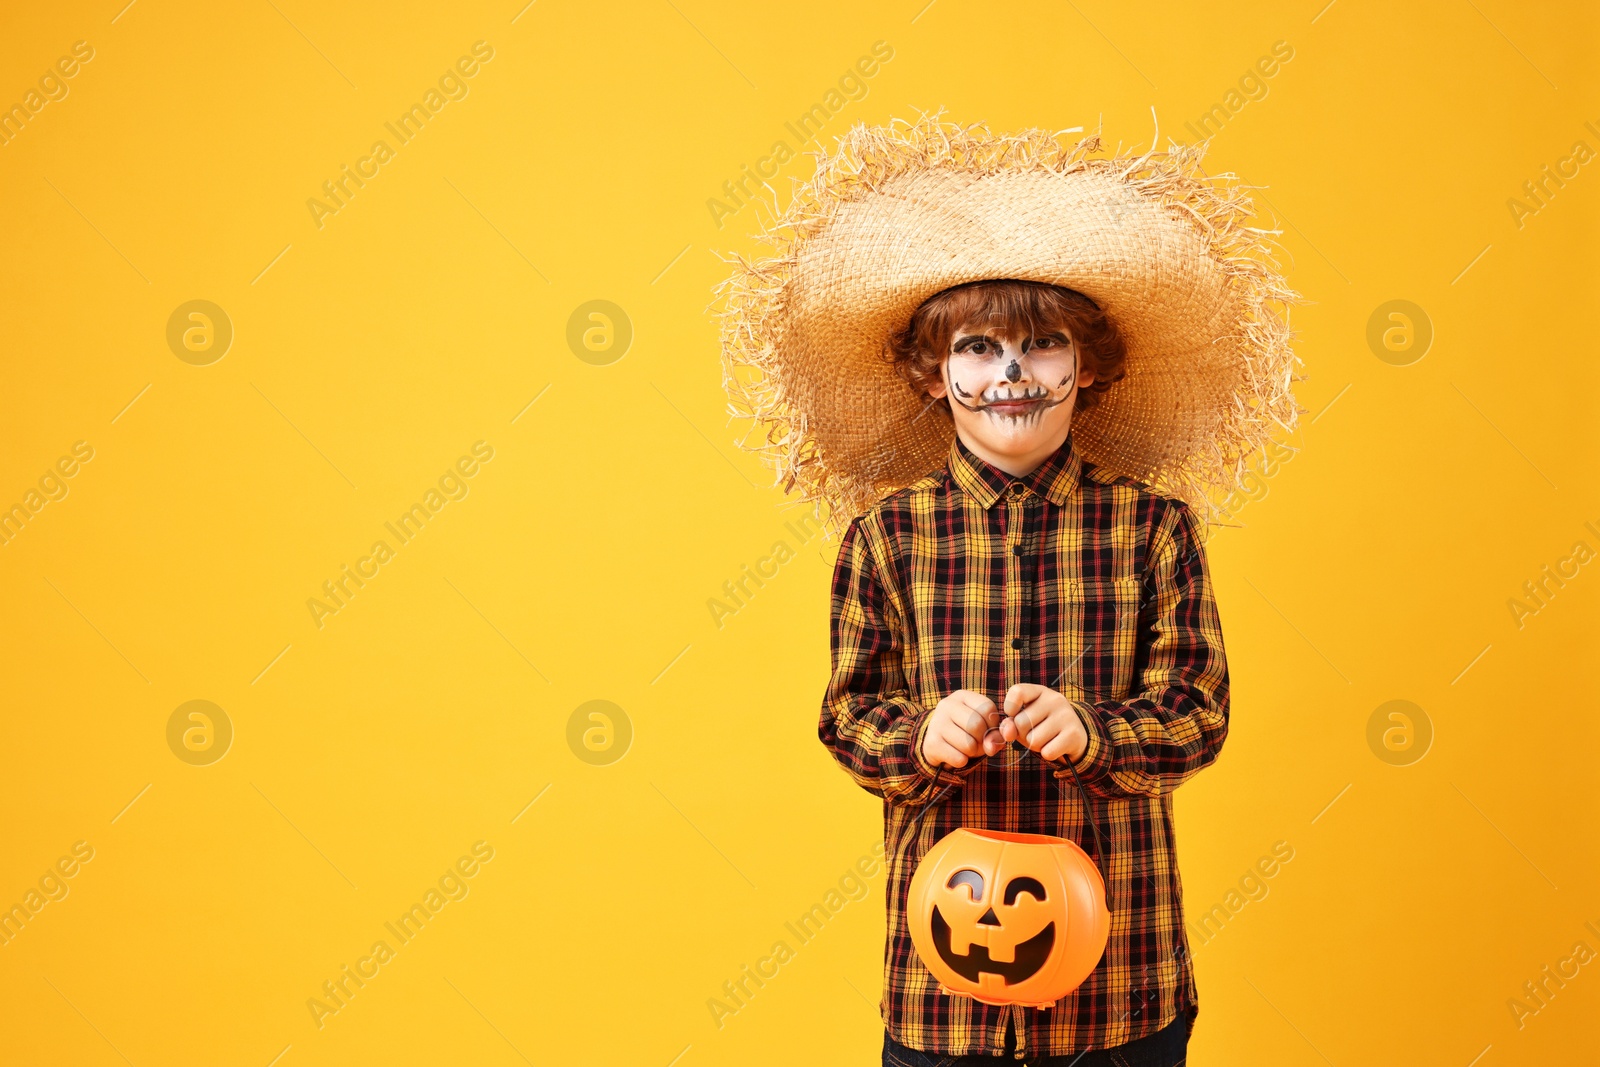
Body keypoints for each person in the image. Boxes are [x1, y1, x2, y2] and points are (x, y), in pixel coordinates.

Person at [714, 111, 1301, 1064]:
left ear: (1089, 367)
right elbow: (849, 717)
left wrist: (1098, 732)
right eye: (977, 349)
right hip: (943, 987)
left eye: (1042, 345)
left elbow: (1199, 714)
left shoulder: (1155, 531)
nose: (1012, 373)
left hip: (1123, 975)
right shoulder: (886, 537)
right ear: (935, 374)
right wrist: (918, 735)